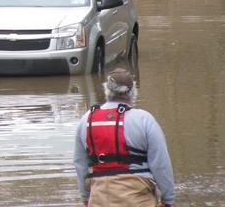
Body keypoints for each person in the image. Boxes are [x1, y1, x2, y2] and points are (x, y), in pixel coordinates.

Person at [73, 68, 175, 207]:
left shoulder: (86, 120)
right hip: (138, 197)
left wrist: (86, 198)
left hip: (99, 197)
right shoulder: (144, 119)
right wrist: (168, 200)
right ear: (132, 91)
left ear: (106, 90)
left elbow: (80, 165)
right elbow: (160, 164)